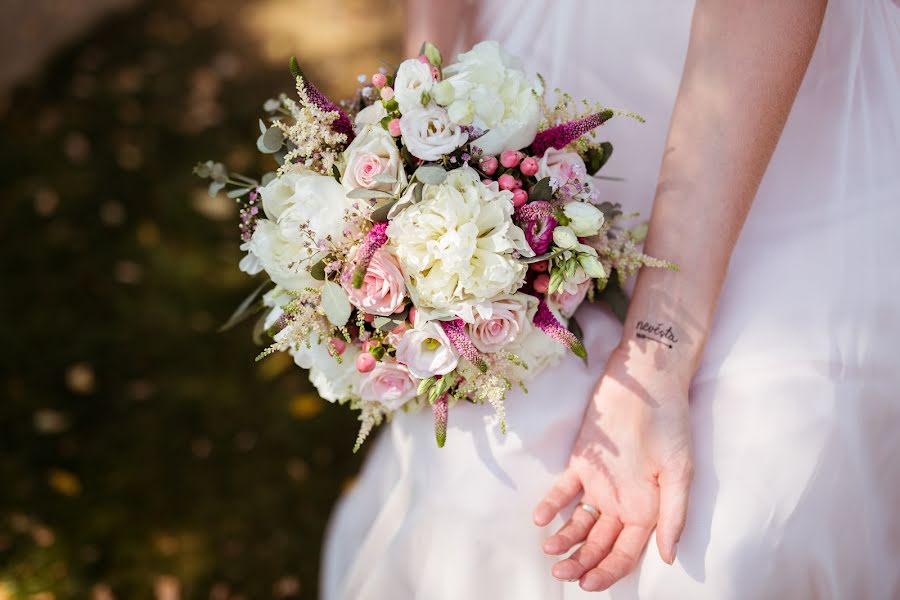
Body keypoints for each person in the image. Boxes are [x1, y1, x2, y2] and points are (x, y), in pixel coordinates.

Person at [322, 1, 900, 598]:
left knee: (729, 546)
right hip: (542, 72)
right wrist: (417, 126)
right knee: (484, 481)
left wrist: (655, 361)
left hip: (794, 113)